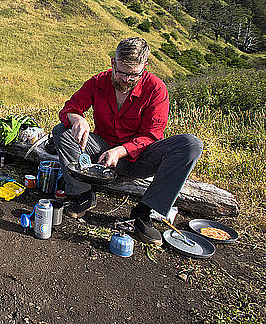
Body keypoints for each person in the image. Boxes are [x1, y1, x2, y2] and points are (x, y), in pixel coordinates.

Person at [52, 37, 203, 245]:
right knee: (62, 130)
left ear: (145, 67)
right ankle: (83, 195)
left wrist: (120, 151)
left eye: (134, 75)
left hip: (140, 159)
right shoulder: (97, 82)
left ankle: (144, 212)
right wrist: (77, 118)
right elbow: (70, 107)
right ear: (113, 62)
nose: (126, 79)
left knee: (190, 144)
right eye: (121, 72)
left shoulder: (156, 89)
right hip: (102, 152)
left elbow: (152, 135)